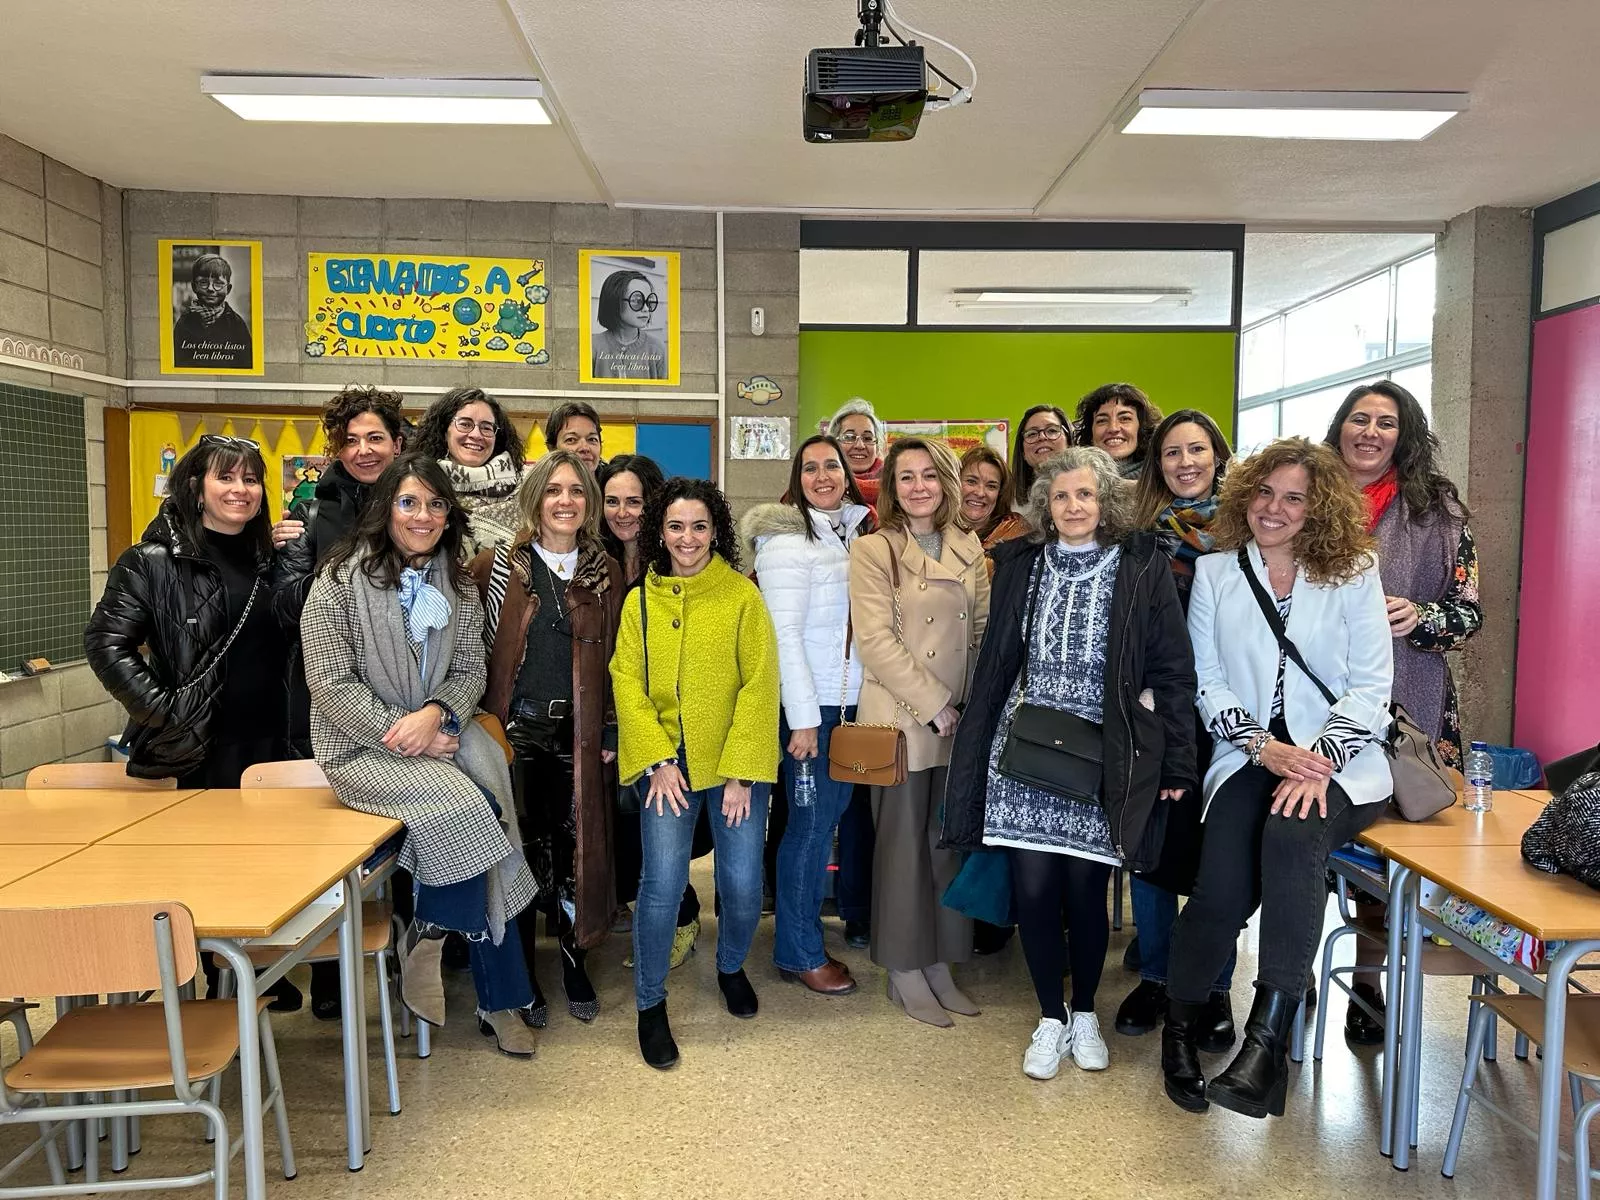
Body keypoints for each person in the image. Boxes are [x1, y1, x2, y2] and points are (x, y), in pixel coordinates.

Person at [943, 447, 1197, 1079]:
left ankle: (1085, 1011)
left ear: (1104, 501)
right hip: (1023, 749)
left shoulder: (1142, 568)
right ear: (1044, 506)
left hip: (1103, 752)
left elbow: (1172, 669)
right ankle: (1050, 1016)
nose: (1073, 506)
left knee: (1085, 891)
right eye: (1060, 497)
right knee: (1033, 891)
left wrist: (1175, 766)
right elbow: (999, 661)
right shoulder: (1020, 564)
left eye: (1085, 495)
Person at [1161, 438, 1393, 1119]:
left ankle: (1265, 1046)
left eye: (1294, 497)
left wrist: (1317, 758)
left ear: (1316, 507)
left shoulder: (1354, 571)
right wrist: (1264, 749)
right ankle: (1180, 1035)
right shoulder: (1217, 573)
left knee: (1296, 831)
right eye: (1265, 492)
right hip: (1251, 756)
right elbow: (1208, 680)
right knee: (1219, 894)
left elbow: (1371, 685)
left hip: (1341, 764)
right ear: (1245, 496)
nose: (1275, 508)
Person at [300, 453, 538, 1058]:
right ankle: (492, 987)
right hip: (360, 749)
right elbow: (330, 684)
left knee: (494, 800)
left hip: (441, 733)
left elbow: (470, 667)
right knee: (467, 805)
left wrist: (437, 715)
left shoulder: (455, 581)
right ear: (386, 509)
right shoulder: (334, 581)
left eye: (435, 504)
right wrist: (402, 732)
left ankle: (440, 940)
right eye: (409, 502)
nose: (424, 515)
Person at [86, 433, 297, 1013]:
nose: (240, 489)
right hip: (196, 744)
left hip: (269, 740)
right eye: (225, 478)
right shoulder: (151, 561)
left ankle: (252, 967)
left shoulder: (268, 561)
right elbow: (107, 645)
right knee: (202, 872)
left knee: (260, 864)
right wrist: (166, 710)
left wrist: (297, 565)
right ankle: (209, 975)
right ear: (196, 487)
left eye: (250, 479)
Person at [1325, 380, 1482, 1045]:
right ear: (1339, 428)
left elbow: (1470, 613)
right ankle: (1290, 983)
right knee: (1298, 841)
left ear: (1404, 434)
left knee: (1386, 855)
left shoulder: (1437, 511)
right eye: (1358, 419)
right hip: (1310, 698)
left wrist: (1422, 616)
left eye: (1385, 422)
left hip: (1405, 707)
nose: (1369, 431)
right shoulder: (1304, 495)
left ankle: (1368, 982)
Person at [611, 478, 780, 1069]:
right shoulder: (640, 601)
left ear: (717, 531)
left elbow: (761, 685)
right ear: (660, 530)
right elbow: (626, 682)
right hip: (668, 766)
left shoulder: (740, 596)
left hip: (736, 765)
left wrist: (740, 774)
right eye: (676, 526)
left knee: (740, 884)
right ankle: (650, 1004)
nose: (688, 538)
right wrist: (657, 760)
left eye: (700, 526)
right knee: (660, 885)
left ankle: (731, 964)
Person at [267, 384, 405, 1020]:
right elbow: (293, 605)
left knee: (401, 836)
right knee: (334, 841)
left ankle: (401, 956)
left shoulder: (419, 504)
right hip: (332, 693)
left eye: (375, 437)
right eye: (350, 440)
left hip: (405, 692)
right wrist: (289, 562)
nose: (363, 449)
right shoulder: (314, 509)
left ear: (398, 443)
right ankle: (330, 973)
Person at [471, 450, 622, 1028]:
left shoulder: (604, 572)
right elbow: (476, 650)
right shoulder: (497, 567)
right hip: (512, 732)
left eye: (577, 491)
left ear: (589, 504)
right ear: (535, 499)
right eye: (554, 490)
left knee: (573, 851)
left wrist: (609, 725)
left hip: (578, 732)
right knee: (516, 851)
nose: (565, 501)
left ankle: (572, 957)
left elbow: (619, 660)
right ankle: (521, 971)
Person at [849, 437, 989, 1027]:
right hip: (902, 719)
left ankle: (939, 963)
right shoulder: (874, 548)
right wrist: (936, 705)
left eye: (929, 475)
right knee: (902, 851)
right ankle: (904, 970)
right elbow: (876, 641)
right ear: (892, 488)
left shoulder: (970, 546)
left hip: (958, 723)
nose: (918, 486)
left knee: (945, 849)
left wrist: (974, 710)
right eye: (905, 477)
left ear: (946, 482)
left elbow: (980, 632)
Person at [1115, 409, 1237, 1047]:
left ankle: (1212, 987)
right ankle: (1158, 976)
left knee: (1221, 860)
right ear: (1156, 465)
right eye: (1170, 453)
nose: (1184, 462)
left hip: (1233, 718)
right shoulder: (1141, 541)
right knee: (1150, 851)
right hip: (1159, 713)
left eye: (1196, 450)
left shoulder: (1251, 534)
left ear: (1219, 455)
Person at [742, 435, 873, 996]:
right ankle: (797, 951)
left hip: (846, 706)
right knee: (811, 828)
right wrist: (802, 721)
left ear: (848, 475)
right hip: (812, 710)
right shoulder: (786, 542)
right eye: (811, 467)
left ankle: (803, 930)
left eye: (833, 466)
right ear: (797, 479)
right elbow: (784, 637)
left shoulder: (854, 532)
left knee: (826, 825)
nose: (824, 476)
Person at [598, 455, 710, 959]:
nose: (624, 512)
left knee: (665, 836)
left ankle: (681, 916)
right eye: (613, 501)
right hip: (608, 713)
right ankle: (643, 912)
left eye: (636, 502)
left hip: (665, 725)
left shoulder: (674, 563)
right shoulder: (593, 561)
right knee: (624, 829)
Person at [825, 398, 887, 942]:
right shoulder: (800, 507)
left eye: (867, 435)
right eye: (848, 436)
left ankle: (864, 910)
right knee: (825, 803)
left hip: (878, 674)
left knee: (865, 804)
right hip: (824, 677)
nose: (858, 443)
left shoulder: (892, 508)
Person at [411, 387, 527, 555]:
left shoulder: (527, 489)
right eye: (465, 424)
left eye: (487, 427)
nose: (476, 434)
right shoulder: (419, 484)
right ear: (444, 431)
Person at [172, 252, 252, 370]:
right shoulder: (184, 323)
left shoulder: (237, 324)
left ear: (228, 289)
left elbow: (246, 363)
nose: (210, 288)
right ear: (194, 286)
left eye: (218, 284)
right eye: (203, 283)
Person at [959, 444, 1029, 574]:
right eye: (971, 481)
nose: (980, 493)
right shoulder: (934, 528)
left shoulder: (1017, 533)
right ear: (954, 483)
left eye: (991, 486)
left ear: (1000, 493)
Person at [591, 269, 668, 381]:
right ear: (614, 301)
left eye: (649, 301)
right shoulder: (593, 347)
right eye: (637, 300)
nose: (646, 309)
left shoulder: (656, 348)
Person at [1074, 383, 1162, 479]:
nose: (1113, 428)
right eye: (1102, 421)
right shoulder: (1070, 480)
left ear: (1142, 428)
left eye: (1125, 418)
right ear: (1090, 433)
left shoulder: (1167, 481)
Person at [1008, 405, 1073, 512]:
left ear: (1069, 442)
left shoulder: (1093, 487)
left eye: (1052, 430)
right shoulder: (1009, 504)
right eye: (1032, 434)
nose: (1042, 437)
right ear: (1023, 452)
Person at [828, 398, 886, 508]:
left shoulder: (899, 487)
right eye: (849, 437)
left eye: (868, 438)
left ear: (877, 447)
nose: (860, 445)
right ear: (834, 444)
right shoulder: (817, 487)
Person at [543, 401, 604, 472]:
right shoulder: (538, 482)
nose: (585, 448)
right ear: (552, 449)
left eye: (592, 439)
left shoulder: (613, 481)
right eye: (571, 440)